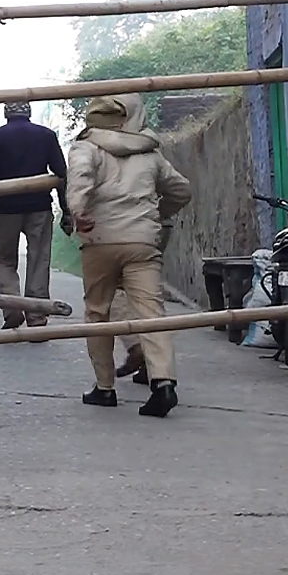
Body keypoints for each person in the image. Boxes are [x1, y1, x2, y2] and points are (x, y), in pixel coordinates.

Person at [66, 92, 192, 417]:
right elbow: (181, 190)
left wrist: (79, 211)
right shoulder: (150, 153)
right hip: (143, 242)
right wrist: (153, 213)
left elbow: (79, 179)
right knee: (152, 312)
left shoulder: (86, 146)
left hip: (100, 240)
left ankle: (104, 388)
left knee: (97, 312)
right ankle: (163, 382)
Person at [0, 101, 70, 328]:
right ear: (28, 112)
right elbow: (61, 173)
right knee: (39, 260)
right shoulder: (46, 135)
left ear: (6, 113)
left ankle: (12, 308)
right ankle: (37, 315)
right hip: (39, 207)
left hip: (6, 209)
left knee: (3, 260)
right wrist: (66, 210)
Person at [112, 218, 174, 384]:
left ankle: (137, 345)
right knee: (148, 297)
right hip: (156, 223)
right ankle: (158, 372)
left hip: (124, 224)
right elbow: (180, 193)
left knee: (112, 289)